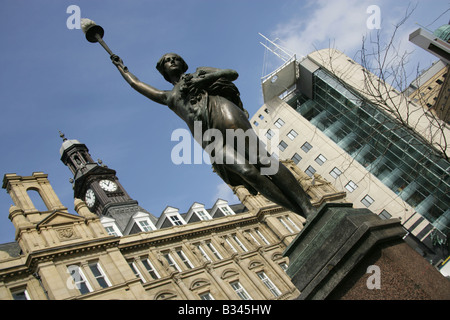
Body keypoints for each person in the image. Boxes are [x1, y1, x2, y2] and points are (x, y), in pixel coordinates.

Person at [110, 53, 315, 219]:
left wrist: (205, 79)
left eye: (175, 59)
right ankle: (303, 214)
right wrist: (122, 68)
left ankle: (308, 207)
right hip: (208, 138)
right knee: (248, 172)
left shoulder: (199, 73)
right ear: (163, 70)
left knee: (262, 160)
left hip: (223, 113)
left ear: (182, 64)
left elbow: (231, 73)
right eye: (167, 61)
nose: (171, 62)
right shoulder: (169, 97)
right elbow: (136, 84)